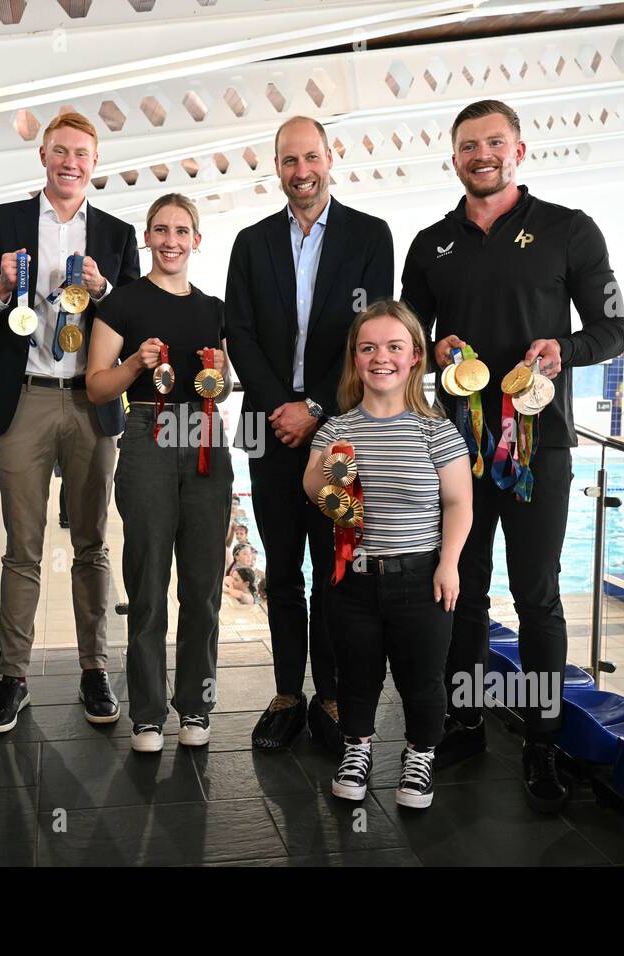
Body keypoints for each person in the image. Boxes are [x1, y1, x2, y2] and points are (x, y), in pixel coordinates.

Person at [400, 98, 624, 812]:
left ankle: (541, 741)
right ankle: (464, 722)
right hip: (458, 447)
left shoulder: (569, 230)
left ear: (519, 150)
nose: (481, 155)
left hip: (540, 444)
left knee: (536, 596)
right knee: (461, 590)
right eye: (468, 145)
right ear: (455, 157)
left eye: (493, 142)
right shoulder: (431, 242)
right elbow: (405, 337)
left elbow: (613, 330)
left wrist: (567, 350)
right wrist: (428, 351)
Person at [0, 111, 140, 734]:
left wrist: (108, 291)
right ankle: (14, 678)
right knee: (23, 547)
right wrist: (1, 288)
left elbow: (137, 326)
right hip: (26, 400)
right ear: (43, 156)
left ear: (95, 163)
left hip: (91, 402)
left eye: (82, 154)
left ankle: (95, 670)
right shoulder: (1, 224)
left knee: (91, 542)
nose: (71, 162)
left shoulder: (116, 234)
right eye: (60, 151)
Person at [225, 115, 395, 755]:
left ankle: (330, 695)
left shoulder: (370, 237)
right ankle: (285, 695)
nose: (302, 172)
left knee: (334, 567)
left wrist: (317, 408)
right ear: (277, 167)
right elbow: (238, 332)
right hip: (271, 432)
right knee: (284, 569)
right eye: (289, 161)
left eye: (311, 158)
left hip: (342, 430)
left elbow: (370, 333)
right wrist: (283, 409)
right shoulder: (251, 242)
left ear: (331, 157)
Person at [303, 300, 472, 808]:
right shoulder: (337, 429)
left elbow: (459, 501)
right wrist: (333, 478)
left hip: (420, 577)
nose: (382, 357)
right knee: (357, 677)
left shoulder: (436, 429)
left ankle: (420, 755)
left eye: (395, 347)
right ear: (355, 358)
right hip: (353, 578)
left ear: (416, 356)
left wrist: (449, 563)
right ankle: (357, 749)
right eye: (369, 347)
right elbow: (312, 486)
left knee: (422, 680)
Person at [85, 193, 233, 752]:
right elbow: (97, 386)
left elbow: (224, 383)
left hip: (204, 434)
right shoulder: (121, 303)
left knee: (203, 585)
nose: (171, 240)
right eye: (160, 229)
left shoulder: (214, 309)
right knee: (148, 582)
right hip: (148, 429)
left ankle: (195, 706)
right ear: (147, 237)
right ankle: (147, 713)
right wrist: (134, 364)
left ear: (197, 239)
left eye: (182, 230)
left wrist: (222, 369)